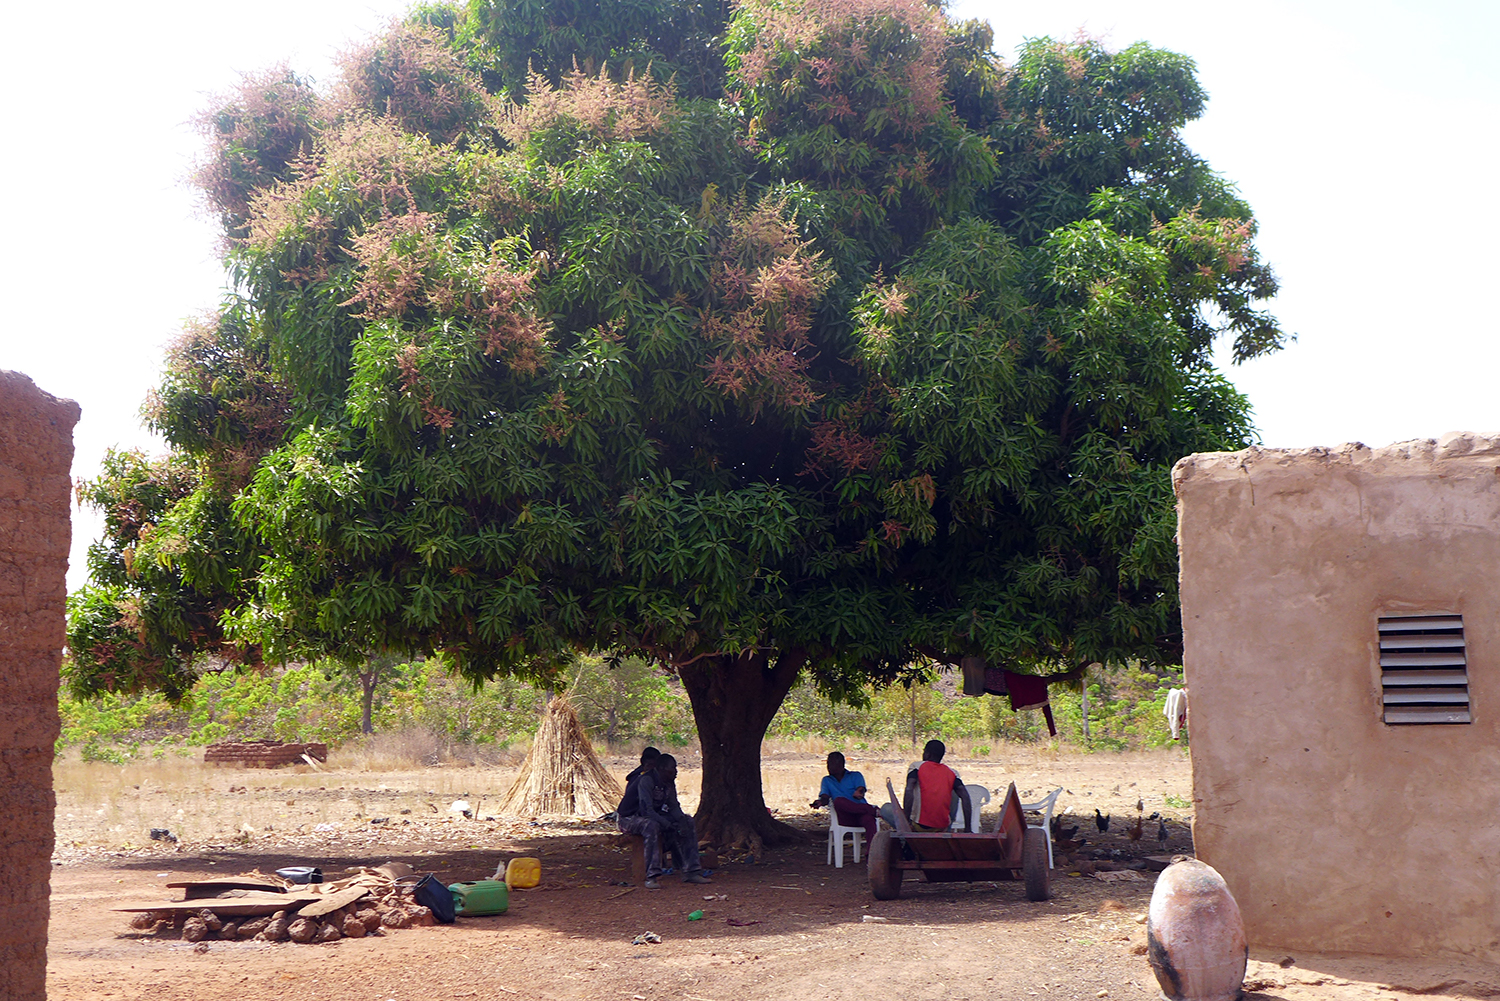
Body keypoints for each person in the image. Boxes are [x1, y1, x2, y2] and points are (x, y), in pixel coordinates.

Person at [616, 753, 712, 888]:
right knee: (651, 826)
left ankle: (692, 871)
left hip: (651, 815)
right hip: (629, 818)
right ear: (661, 769)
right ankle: (652, 876)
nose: (676, 771)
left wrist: (680, 819)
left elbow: (673, 806)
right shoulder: (646, 780)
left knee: (688, 821)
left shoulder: (669, 783)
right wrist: (667, 824)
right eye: (672, 768)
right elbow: (646, 811)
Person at [901, 739, 972, 832]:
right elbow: (965, 796)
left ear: (927, 754)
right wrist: (968, 828)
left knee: (886, 809)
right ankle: (948, 829)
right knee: (955, 791)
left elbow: (909, 789)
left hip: (918, 826)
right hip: (941, 827)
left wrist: (906, 821)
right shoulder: (952, 772)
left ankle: (905, 837)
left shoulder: (916, 766)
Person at [810, 751, 878, 841]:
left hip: (860, 814)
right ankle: (874, 810)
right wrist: (820, 802)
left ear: (841, 765)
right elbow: (825, 796)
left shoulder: (855, 775)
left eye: (833, 764)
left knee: (870, 820)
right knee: (839, 801)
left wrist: (859, 792)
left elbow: (861, 789)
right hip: (844, 817)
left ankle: (871, 853)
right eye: (828, 764)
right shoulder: (827, 780)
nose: (829, 767)